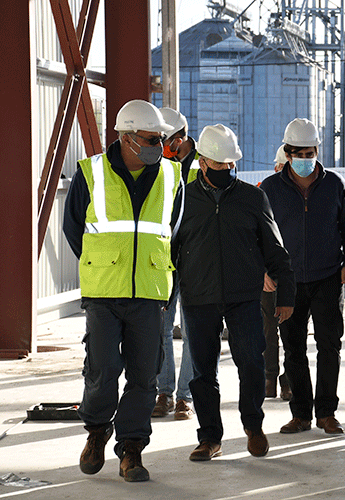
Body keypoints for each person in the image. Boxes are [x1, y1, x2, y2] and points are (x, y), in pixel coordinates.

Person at [63, 99, 178, 482]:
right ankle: (96, 432)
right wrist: (103, 263)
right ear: (126, 138)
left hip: (149, 290)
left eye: (160, 140)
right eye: (149, 139)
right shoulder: (91, 172)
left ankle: (131, 449)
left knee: (145, 374)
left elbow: (172, 231)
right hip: (104, 292)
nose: (156, 147)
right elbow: (74, 227)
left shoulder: (170, 176)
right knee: (103, 368)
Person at [171, 124, 296, 461]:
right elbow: (169, 247)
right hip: (198, 297)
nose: (227, 170)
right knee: (202, 372)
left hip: (243, 296)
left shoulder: (252, 197)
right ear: (202, 162)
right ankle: (210, 437)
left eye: (231, 164)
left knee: (252, 364)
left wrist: (285, 295)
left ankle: (253, 426)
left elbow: (275, 247)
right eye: (220, 165)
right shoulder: (182, 198)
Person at [260, 118, 345, 435]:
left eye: (311, 152)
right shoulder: (271, 189)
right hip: (287, 282)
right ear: (287, 154)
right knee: (293, 350)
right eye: (299, 153)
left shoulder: (334, 185)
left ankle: (327, 413)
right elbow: (258, 233)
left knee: (330, 346)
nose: (306, 159)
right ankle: (301, 414)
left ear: (318, 150)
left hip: (328, 278)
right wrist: (263, 269)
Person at [151, 107, 197, 421]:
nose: (161, 146)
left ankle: (186, 397)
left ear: (181, 138)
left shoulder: (203, 164)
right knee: (161, 330)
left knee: (194, 330)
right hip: (164, 261)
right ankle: (164, 393)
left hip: (195, 261)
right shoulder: (156, 167)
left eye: (165, 140)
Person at [262, 146, 292, 402]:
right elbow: (254, 235)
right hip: (270, 274)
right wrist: (262, 270)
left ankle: (288, 380)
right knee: (268, 329)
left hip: (294, 275)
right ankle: (269, 377)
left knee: (293, 331)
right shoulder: (264, 192)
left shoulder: (307, 193)